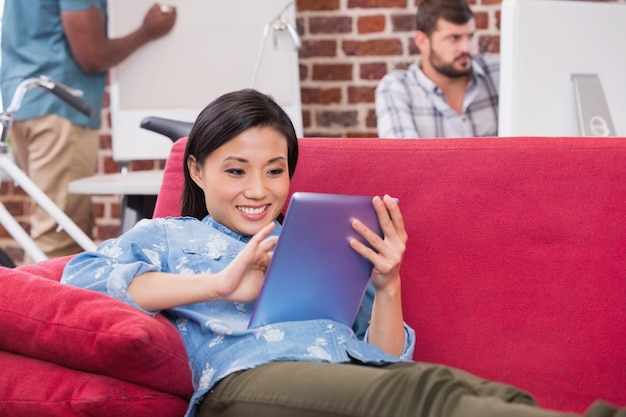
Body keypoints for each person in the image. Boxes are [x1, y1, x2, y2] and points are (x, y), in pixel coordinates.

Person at [61, 89, 623, 417]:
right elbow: (80, 281)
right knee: (426, 394)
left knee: (470, 391)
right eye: (236, 171)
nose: (258, 191)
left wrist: (388, 281)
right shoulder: (169, 236)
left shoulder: (309, 241)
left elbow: (383, 356)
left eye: (275, 171)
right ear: (196, 170)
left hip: (346, 378)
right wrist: (219, 284)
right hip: (247, 385)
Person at [0, 1, 177, 259]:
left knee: (49, 225)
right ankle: (35, 299)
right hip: (58, 105)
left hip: (27, 103)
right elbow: (93, 56)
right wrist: (147, 31)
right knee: (59, 236)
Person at [375, 0, 499, 139]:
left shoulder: (498, 74)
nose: (466, 48)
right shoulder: (397, 88)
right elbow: (403, 159)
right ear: (422, 41)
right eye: (454, 38)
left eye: (469, 37)